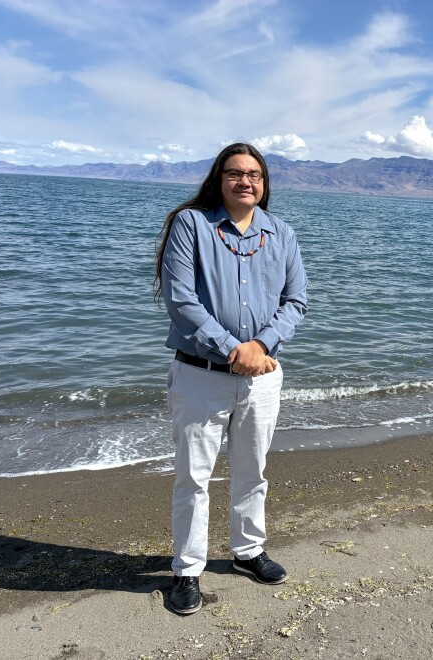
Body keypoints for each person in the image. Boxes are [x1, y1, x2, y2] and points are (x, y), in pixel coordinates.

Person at [154, 143, 307, 615]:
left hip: (262, 377)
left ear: (265, 185)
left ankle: (248, 552)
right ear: (218, 179)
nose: (246, 182)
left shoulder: (280, 233)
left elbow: (296, 301)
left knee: (252, 469)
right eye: (236, 173)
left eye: (255, 175)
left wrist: (258, 347)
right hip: (200, 375)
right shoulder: (191, 225)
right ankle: (187, 570)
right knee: (193, 477)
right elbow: (180, 299)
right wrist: (233, 349)